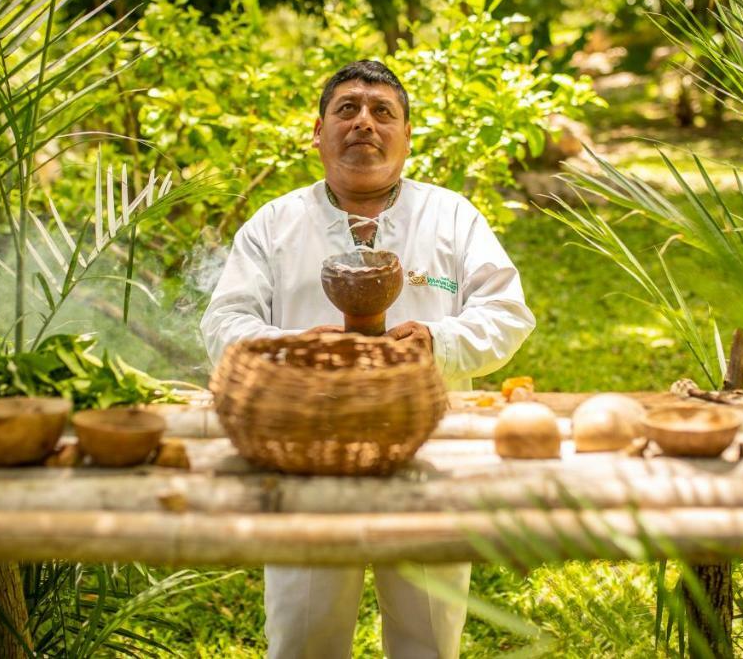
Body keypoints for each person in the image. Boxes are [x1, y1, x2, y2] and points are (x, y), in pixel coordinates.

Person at [201, 59, 536, 659]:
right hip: (307, 447)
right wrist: (297, 360)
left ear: (407, 136)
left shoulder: (451, 216)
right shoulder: (275, 224)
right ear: (318, 131)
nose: (365, 123)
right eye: (347, 109)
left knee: (428, 638)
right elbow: (224, 322)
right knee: (306, 635)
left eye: (384, 112)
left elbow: (508, 313)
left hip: (428, 441)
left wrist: (435, 342)